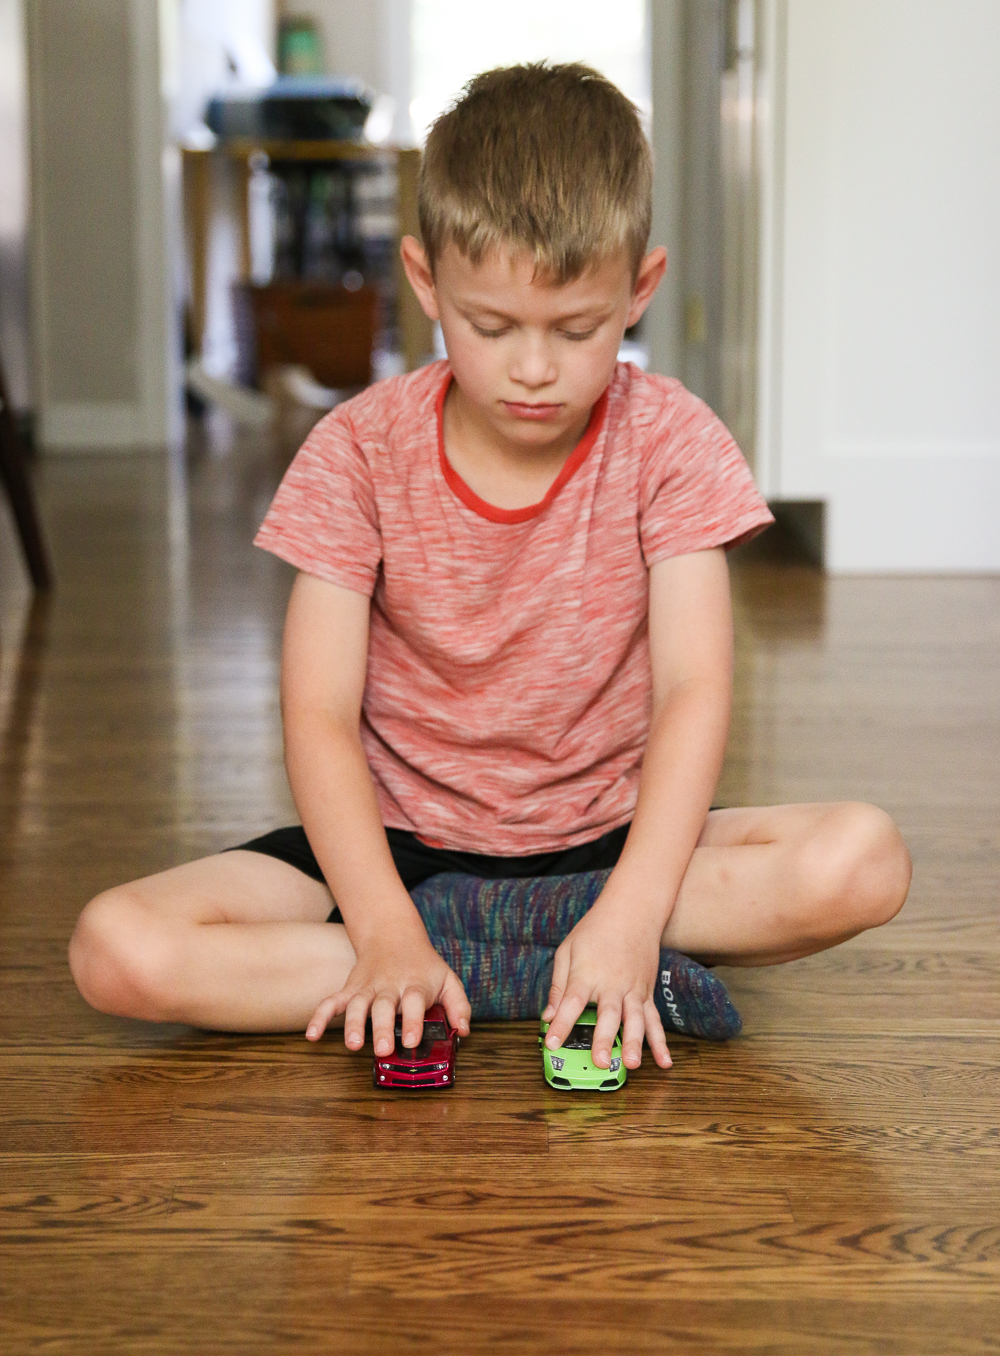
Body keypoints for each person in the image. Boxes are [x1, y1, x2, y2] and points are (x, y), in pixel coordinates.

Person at [69, 63, 911, 1076]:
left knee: (861, 862)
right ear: (425, 282)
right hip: (397, 852)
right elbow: (318, 716)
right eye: (490, 326)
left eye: (579, 328)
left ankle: (549, 954)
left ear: (639, 287)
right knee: (116, 949)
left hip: (606, 843)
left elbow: (693, 692)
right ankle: (517, 966)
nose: (533, 368)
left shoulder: (672, 441)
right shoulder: (356, 451)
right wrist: (382, 927)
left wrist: (633, 912)